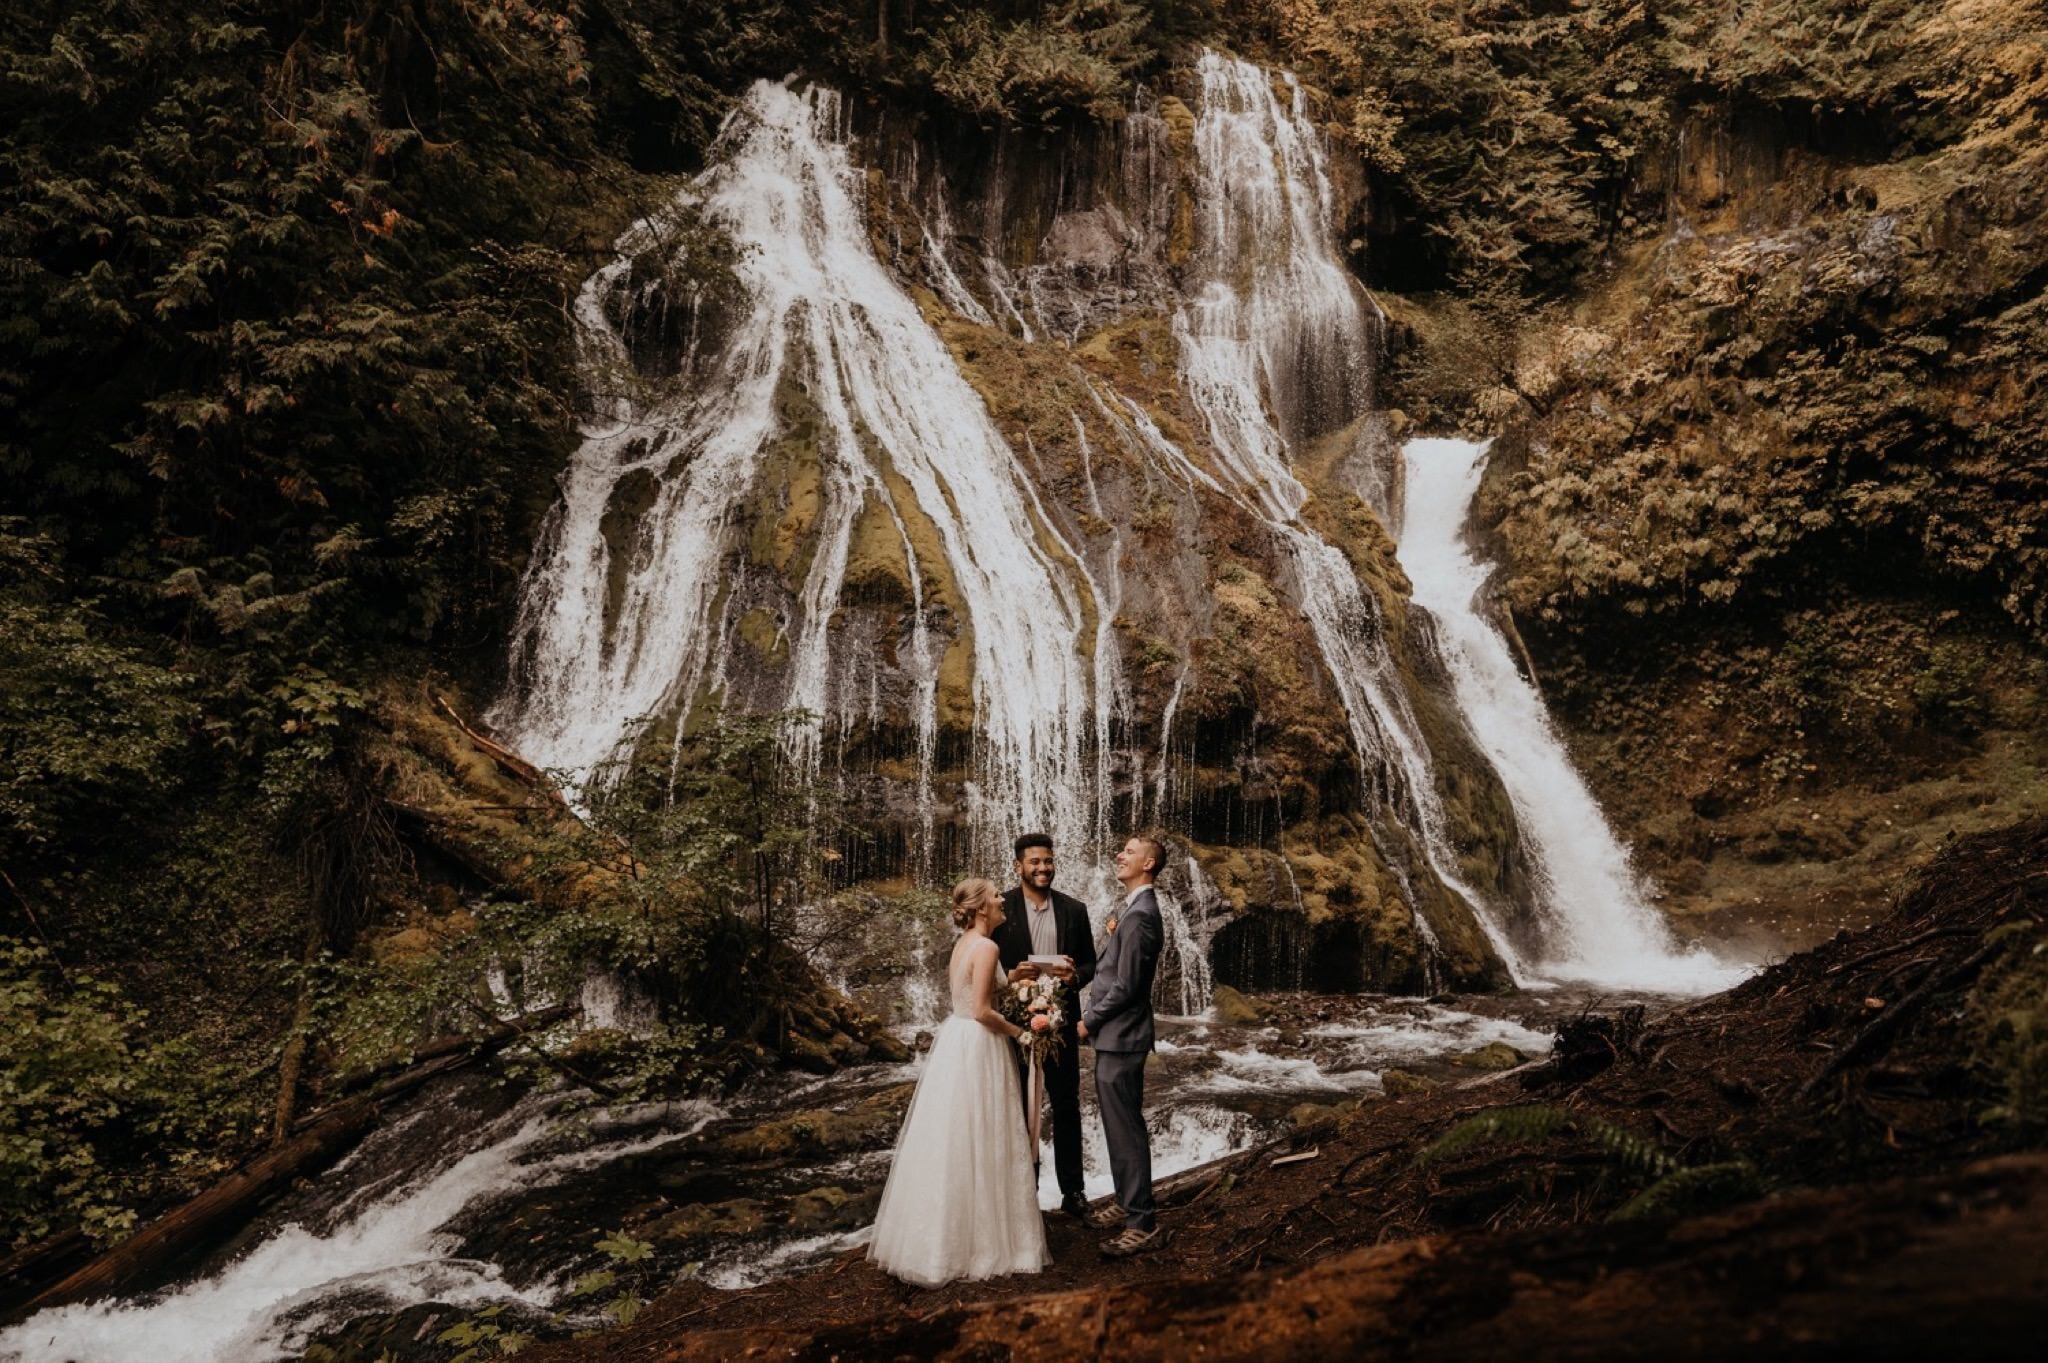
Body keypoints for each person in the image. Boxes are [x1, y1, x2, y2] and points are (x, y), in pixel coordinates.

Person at [867, 878, 1052, 1286]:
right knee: (984, 1135)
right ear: (982, 907)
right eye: (996, 896)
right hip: (980, 1042)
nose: (1003, 900)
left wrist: (1019, 981)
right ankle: (983, 1245)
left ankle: (942, 1241)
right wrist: (1021, 1033)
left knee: (956, 1139)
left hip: (957, 1040)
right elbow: (984, 1010)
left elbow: (973, 994)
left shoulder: (966, 942)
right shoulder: (987, 947)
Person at [991, 832, 1099, 1220]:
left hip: (1063, 1024)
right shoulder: (999, 908)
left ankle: (1074, 1193)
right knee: (1021, 1110)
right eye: (1035, 862)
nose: (1043, 868)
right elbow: (983, 966)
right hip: (1016, 1027)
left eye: (1048, 861)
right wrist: (1010, 974)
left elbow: (1090, 963)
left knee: (1067, 1106)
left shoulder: (1074, 909)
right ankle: (1024, 1196)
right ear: (1018, 865)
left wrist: (1075, 977)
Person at [1078, 834, 1168, 1258]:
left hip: (1122, 1035)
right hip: (1117, 1037)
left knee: (1126, 1129)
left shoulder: (1142, 916)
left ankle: (1141, 1221)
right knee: (1117, 1126)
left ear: (1148, 864)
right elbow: (1110, 970)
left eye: (1129, 852)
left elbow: (1128, 987)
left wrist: (1087, 1022)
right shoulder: (1132, 910)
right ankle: (1126, 1200)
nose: (1119, 854)